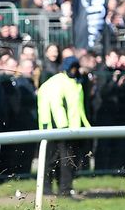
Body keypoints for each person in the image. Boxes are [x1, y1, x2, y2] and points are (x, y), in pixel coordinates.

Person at [37, 56, 91, 197]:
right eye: (73, 68)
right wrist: (62, 127)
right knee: (53, 160)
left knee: (66, 161)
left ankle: (63, 189)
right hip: (58, 129)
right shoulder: (58, 82)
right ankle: (54, 190)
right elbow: (56, 105)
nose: (75, 71)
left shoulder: (74, 82)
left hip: (69, 129)